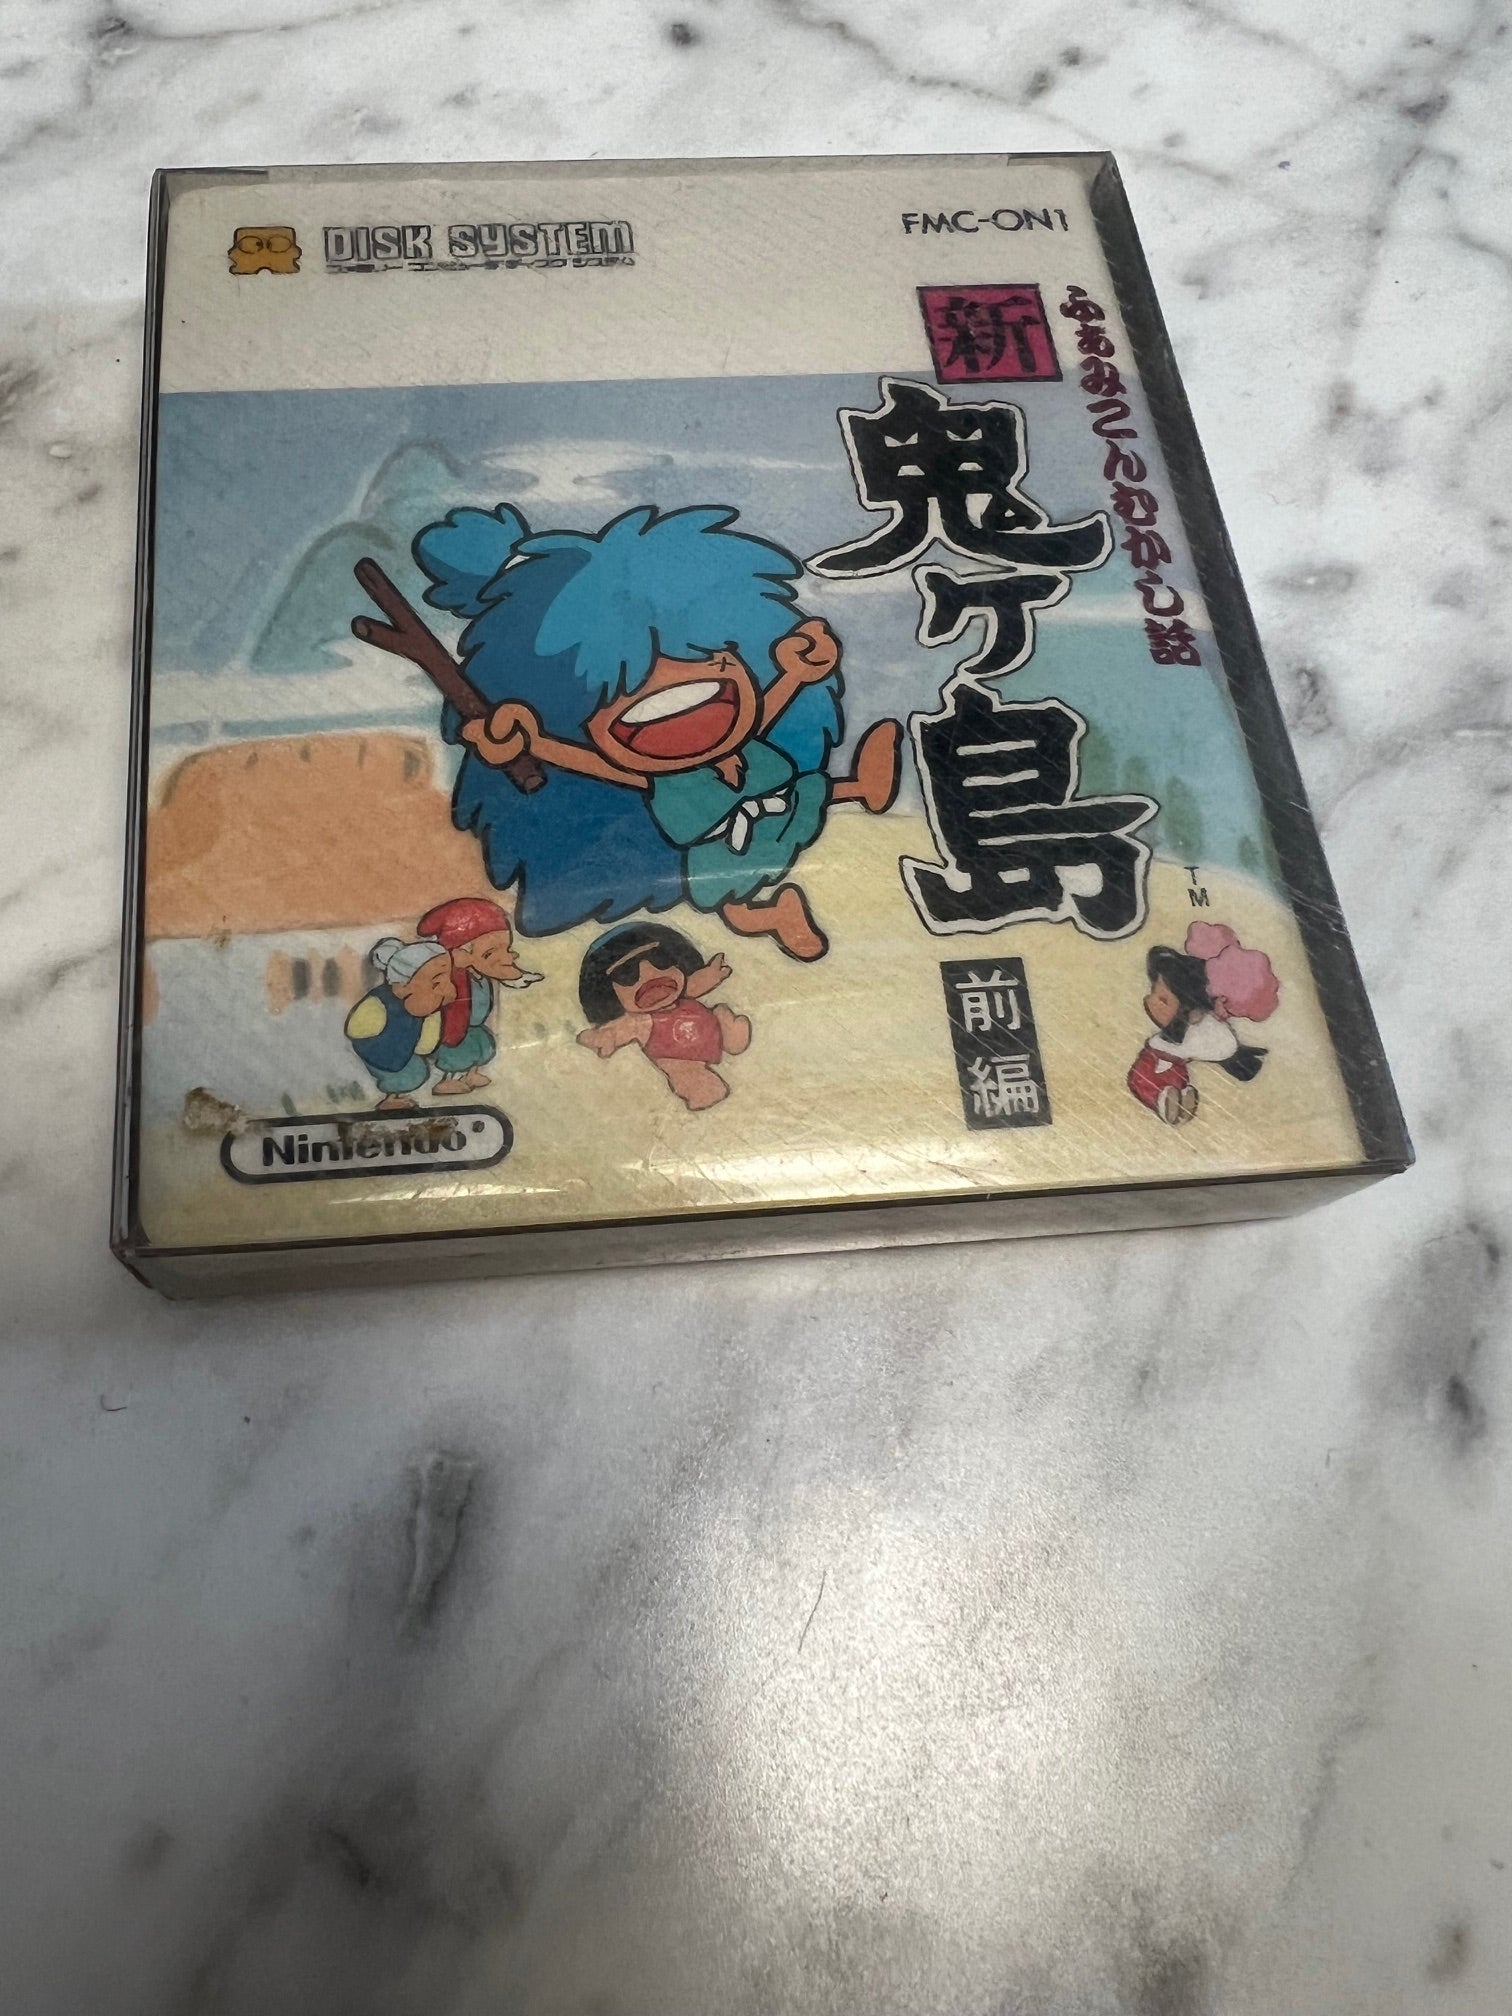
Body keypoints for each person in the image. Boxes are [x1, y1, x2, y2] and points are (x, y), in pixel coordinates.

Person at [413, 501, 902, 964]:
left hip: (772, 808)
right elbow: (598, 765)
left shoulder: (746, 739)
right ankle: (769, 914)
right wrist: (535, 744)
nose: (675, 696)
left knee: (800, 791)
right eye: (622, 695)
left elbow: (764, 711)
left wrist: (795, 673)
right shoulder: (662, 784)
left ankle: (860, 788)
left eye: (712, 663)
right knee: (731, 894)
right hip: (721, 847)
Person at [576, 923, 752, 1111]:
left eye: (660, 958)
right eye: (627, 973)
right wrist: (603, 1037)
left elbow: (695, 985)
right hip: (678, 1057)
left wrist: (710, 975)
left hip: (710, 1032)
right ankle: (700, 1091)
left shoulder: (684, 992)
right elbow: (617, 1031)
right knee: (690, 1077)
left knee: (721, 1013)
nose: (649, 973)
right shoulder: (638, 1022)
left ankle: (731, 1037)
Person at [1128, 922, 1279, 1125]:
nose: (1149, 1000)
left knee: (1142, 1079)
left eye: (1163, 999)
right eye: (1154, 993)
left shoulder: (1189, 1031)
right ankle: (1177, 1097)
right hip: (1176, 1065)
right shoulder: (1199, 1030)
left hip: (1162, 1062)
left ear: (1189, 1009)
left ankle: (1165, 1100)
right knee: (1173, 1078)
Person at [416, 896, 543, 1095]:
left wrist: (517, 976)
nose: (503, 957)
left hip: (474, 1025)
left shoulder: (477, 971)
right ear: (460, 953)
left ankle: (471, 1074)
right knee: (458, 1053)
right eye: (488, 954)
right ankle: (448, 1080)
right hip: (454, 1030)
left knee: (484, 1045)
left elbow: (499, 971)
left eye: (506, 949)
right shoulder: (450, 977)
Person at [344, 938, 454, 1111]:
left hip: (402, 1052)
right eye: (436, 982)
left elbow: (424, 1047)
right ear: (403, 986)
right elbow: (355, 1029)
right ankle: (389, 1099)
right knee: (403, 1076)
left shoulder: (424, 1007)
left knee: (418, 1072)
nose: (445, 988)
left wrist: (433, 1014)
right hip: (376, 1052)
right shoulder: (380, 1002)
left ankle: (395, 1096)